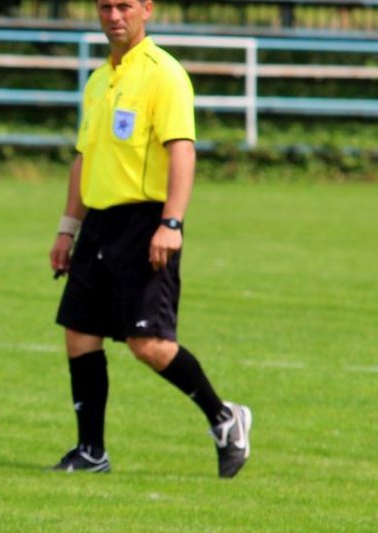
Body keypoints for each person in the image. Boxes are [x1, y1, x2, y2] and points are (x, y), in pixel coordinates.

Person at [49, 0, 251, 478]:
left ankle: (225, 418)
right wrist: (67, 228)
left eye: (124, 6)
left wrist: (172, 223)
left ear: (147, 10)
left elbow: (181, 149)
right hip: (97, 222)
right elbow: (84, 159)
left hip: (145, 222)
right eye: (105, 6)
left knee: (150, 344)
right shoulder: (99, 80)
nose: (114, 15)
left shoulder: (165, 74)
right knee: (80, 334)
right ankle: (91, 451)